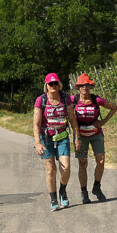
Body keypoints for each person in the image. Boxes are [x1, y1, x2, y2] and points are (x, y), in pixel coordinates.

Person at [33, 73, 78, 212]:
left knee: (66, 168)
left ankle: (62, 191)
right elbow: (36, 123)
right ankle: (53, 199)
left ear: (59, 85)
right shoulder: (41, 100)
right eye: (50, 84)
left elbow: (72, 118)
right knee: (51, 170)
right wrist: (37, 142)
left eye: (55, 83)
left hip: (62, 136)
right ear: (46, 86)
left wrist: (77, 137)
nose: (53, 86)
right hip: (45, 138)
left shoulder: (65, 99)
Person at [72, 73, 117, 204]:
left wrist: (103, 122)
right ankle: (84, 192)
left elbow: (114, 107)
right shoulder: (73, 100)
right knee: (82, 163)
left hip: (96, 134)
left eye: (87, 85)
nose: (85, 87)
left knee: (101, 161)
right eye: (82, 85)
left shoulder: (96, 100)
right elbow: (64, 109)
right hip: (80, 136)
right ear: (78, 88)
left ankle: (97, 187)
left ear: (90, 87)